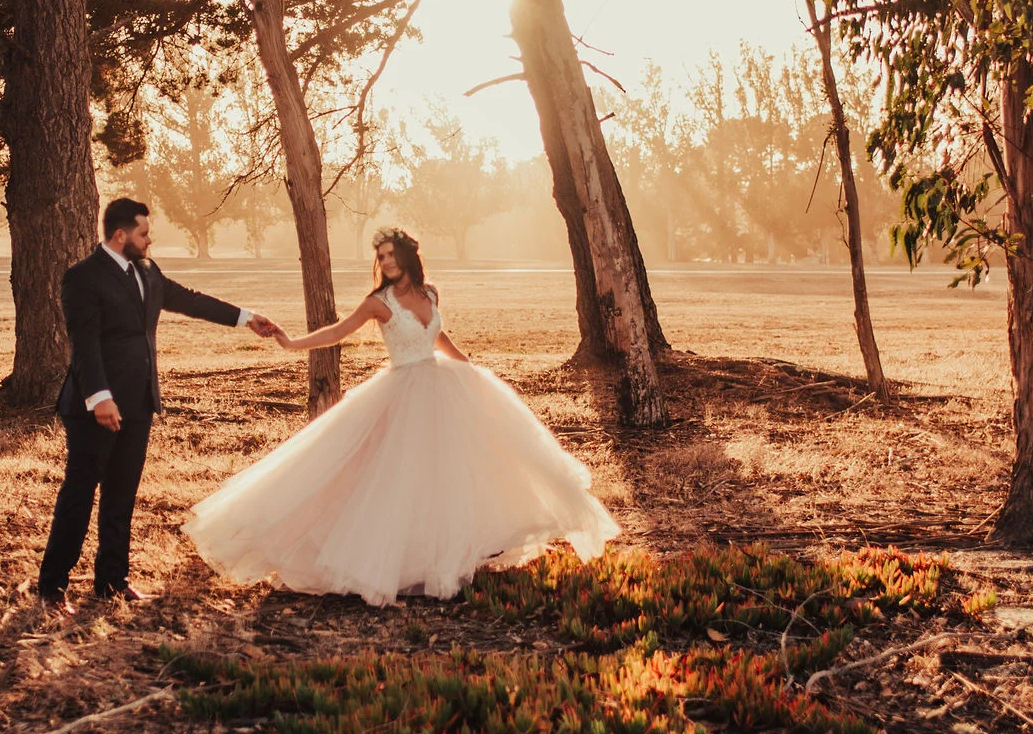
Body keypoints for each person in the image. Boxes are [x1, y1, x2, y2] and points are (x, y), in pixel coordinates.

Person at [184, 226, 619, 606]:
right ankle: (398, 559)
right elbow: (338, 331)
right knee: (397, 475)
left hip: (442, 383)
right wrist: (291, 343)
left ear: (408, 257)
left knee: (453, 471)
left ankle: (454, 550)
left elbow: (438, 334)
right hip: (402, 390)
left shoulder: (431, 293)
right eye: (381, 257)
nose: (386, 262)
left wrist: (469, 367)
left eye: (392, 254)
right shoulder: (379, 302)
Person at [37, 197, 279, 613]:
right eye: (143, 233)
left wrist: (245, 317)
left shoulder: (148, 272)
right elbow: (84, 344)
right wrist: (100, 398)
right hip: (95, 406)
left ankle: (111, 581)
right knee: (79, 494)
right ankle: (52, 587)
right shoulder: (82, 278)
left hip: (139, 402)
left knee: (122, 494)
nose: (150, 240)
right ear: (120, 235)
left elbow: (190, 300)